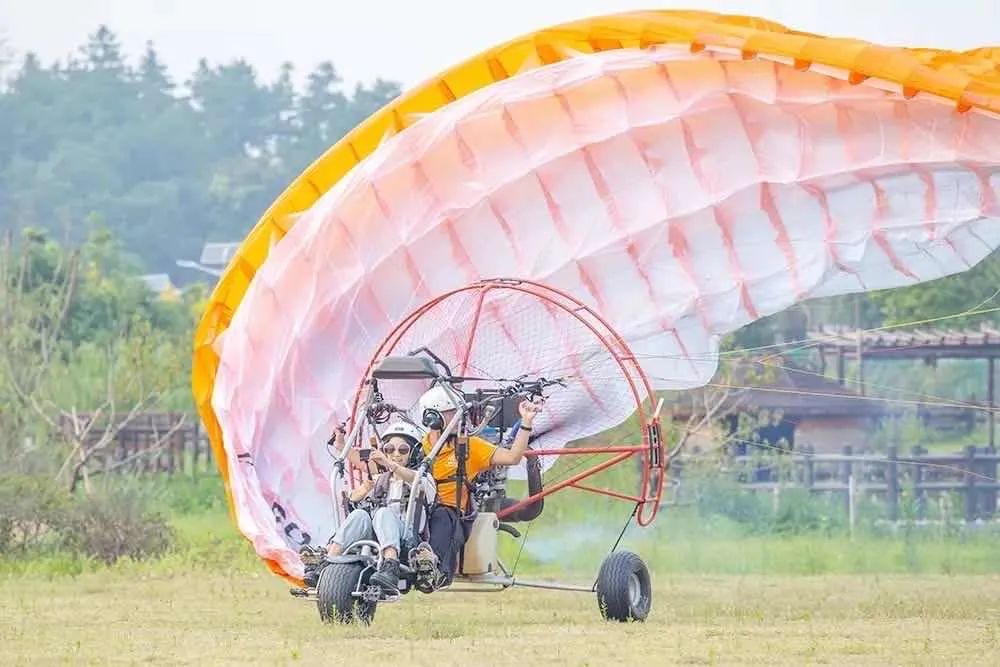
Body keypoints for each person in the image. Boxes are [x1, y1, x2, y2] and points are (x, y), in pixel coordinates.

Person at [417, 385, 541, 586]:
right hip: (419, 513)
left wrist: (526, 422)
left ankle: (433, 568)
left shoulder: (470, 446)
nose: (460, 417)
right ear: (433, 417)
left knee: (441, 515)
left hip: (451, 516)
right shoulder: (416, 447)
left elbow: (512, 457)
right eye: (452, 413)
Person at [304, 421, 435, 593]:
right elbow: (354, 496)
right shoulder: (381, 479)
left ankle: (391, 564)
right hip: (378, 534)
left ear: (414, 452)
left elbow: (413, 478)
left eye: (403, 450)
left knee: (383, 513)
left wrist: (389, 464)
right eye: (389, 449)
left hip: (407, 537)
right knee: (359, 514)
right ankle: (327, 561)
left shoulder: (423, 480)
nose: (395, 454)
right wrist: (342, 446)